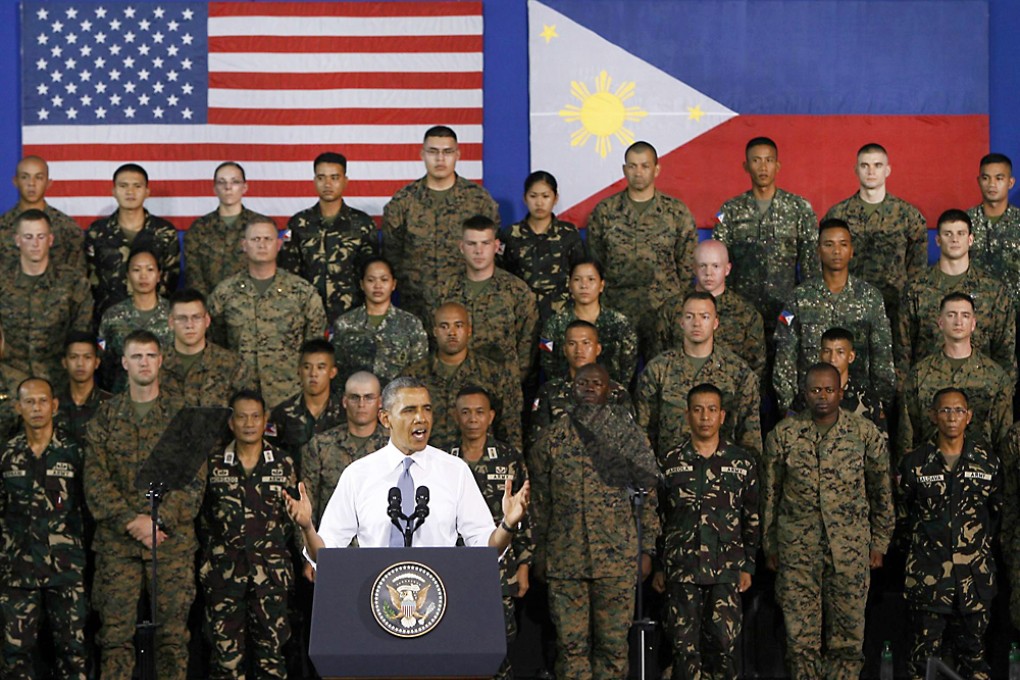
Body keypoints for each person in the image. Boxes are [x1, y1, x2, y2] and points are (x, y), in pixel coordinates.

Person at [284, 376, 529, 557]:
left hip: (438, 600)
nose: (421, 418)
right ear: (385, 418)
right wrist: (307, 528)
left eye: (427, 409)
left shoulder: (455, 471)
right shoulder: (358, 475)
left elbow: (487, 550)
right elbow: (324, 555)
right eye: (410, 410)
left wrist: (507, 524)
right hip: (375, 598)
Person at [763, 363, 894, 680]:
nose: (822, 396)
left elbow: (881, 492)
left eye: (829, 390)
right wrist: (770, 546)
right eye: (815, 390)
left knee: (847, 643)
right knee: (800, 643)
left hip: (849, 554)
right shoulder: (783, 435)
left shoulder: (864, 434)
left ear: (841, 392)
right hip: (797, 553)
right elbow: (770, 494)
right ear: (804, 393)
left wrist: (879, 543)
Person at [84, 330, 203, 680]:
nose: (144, 363)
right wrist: (130, 520)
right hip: (118, 545)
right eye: (137, 356)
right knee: (116, 639)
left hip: (170, 545)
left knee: (172, 639)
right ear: (123, 362)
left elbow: (194, 481)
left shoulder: (181, 415)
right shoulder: (105, 416)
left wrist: (158, 520)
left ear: (161, 360)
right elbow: (94, 480)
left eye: (151, 356)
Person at [530, 363, 660, 680]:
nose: (589, 387)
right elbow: (539, 502)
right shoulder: (551, 438)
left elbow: (648, 498)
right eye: (583, 382)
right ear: (572, 386)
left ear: (609, 390)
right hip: (565, 560)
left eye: (596, 383)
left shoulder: (628, 438)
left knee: (613, 649)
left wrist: (647, 550)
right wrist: (539, 552)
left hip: (616, 561)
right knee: (570, 648)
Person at [650, 383, 759, 680]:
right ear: (687, 415)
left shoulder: (741, 463)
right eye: (698, 410)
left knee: (723, 649)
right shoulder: (669, 462)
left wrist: (748, 564)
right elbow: (657, 517)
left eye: (712, 410)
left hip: (726, 570)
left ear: (722, 415)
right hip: (681, 571)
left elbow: (751, 517)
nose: (705, 417)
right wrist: (659, 565)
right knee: (684, 650)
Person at [898, 387, 1000, 680]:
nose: (951, 417)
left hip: (974, 582)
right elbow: (903, 515)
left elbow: (996, 512)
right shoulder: (915, 463)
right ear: (933, 415)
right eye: (944, 410)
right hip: (929, 582)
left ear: (968, 416)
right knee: (923, 664)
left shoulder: (987, 461)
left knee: (975, 661)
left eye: (958, 411)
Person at [201, 390, 297, 679]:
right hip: (224, 575)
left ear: (265, 420)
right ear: (231, 422)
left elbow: (293, 518)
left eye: (255, 416)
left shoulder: (282, 463)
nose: (248, 423)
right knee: (226, 661)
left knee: (272, 658)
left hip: (270, 577)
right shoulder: (214, 462)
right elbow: (203, 516)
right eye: (241, 416)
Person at [0, 378, 88, 678]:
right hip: (17, 570)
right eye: (29, 401)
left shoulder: (74, 452)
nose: (36, 407)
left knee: (73, 652)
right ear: (18, 407)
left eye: (42, 401)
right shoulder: (6, 453)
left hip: (65, 568)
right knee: (15, 655)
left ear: (54, 405)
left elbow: (86, 507)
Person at [449, 385, 535, 680]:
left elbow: (524, 514)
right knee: (454, 645)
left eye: (479, 412)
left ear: (491, 417)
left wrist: (524, 564)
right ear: (454, 416)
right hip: (453, 568)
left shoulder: (509, 458)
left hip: (500, 570)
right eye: (465, 412)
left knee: (499, 646)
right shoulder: (441, 459)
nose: (473, 419)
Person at [773, 218, 895, 413]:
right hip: (809, 406)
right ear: (818, 250)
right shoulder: (799, 297)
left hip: (859, 406)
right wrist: (789, 408)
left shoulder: (870, 298)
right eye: (829, 245)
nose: (836, 251)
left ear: (851, 250)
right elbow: (785, 359)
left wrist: (878, 405)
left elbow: (882, 356)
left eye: (843, 244)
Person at [587, 141, 697, 354]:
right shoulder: (605, 212)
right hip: (616, 309)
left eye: (645, 166)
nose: (638, 172)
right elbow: (596, 261)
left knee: (662, 377)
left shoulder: (677, 212)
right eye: (632, 166)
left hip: (663, 310)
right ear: (624, 169)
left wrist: (675, 303)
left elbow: (686, 265)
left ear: (657, 169)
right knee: (614, 379)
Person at [382, 126, 501, 322]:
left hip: (469, 311)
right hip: (415, 312)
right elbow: (391, 258)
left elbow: (493, 256)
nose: (440, 159)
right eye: (433, 152)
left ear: (458, 155)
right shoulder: (402, 202)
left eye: (447, 152)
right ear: (422, 154)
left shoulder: (479, 201)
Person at [208, 217, 327, 409]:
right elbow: (215, 343)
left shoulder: (302, 293)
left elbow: (314, 348)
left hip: (289, 397)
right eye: (255, 240)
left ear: (279, 244)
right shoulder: (225, 293)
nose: (262, 245)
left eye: (267, 239)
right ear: (244, 245)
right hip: (239, 396)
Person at [636, 291, 762, 463]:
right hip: (672, 476)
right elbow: (644, 432)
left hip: (723, 478)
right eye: (689, 317)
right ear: (681, 322)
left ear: (715, 322)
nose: (696, 323)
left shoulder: (738, 373)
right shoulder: (658, 370)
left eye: (704, 317)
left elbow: (750, 436)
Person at [713, 136, 818, 334]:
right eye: (756, 160)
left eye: (769, 160)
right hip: (741, 312)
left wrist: (810, 305)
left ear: (777, 166)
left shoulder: (798, 208)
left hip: (786, 309)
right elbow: (717, 260)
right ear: (746, 166)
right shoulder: (731, 210)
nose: (763, 167)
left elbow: (810, 264)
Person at [897, 208, 1015, 382]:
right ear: (937, 240)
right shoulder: (915, 289)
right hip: (928, 390)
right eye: (948, 234)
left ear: (970, 239)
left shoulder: (994, 290)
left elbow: (1005, 350)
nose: (954, 239)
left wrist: (1004, 396)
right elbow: (903, 351)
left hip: (981, 390)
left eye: (960, 233)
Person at [898, 293, 1013, 462]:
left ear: (973, 324)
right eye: (951, 315)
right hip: (929, 473)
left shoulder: (996, 377)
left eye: (965, 316)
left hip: (980, 474)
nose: (958, 322)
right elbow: (907, 436)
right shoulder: (919, 374)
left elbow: (1003, 437)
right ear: (940, 323)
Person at [823, 142, 927, 321]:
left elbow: (917, 269)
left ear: (887, 170)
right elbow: (823, 262)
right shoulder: (838, 214)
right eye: (865, 166)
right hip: (846, 306)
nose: (871, 172)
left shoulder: (908, 215)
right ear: (856, 169)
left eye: (877, 165)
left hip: (894, 310)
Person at [402, 302, 523, 451]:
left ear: (469, 330)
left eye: (458, 326)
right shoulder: (413, 376)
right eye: (444, 326)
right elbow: (401, 426)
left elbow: (510, 427)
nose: (451, 333)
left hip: (479, 465)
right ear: (434, 331)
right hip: (426, 463)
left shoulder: (493, 373)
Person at [280, 152, 378, 322]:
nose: (327, 184)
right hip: (308, 314)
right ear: (314, 181)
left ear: (345, 181)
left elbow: (371, 272)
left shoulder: (362, 224)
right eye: (321, 177)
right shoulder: (298, 223)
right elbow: (288, 274)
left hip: (353, 315)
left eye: (334, 177)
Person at [438, 215, 539, 380]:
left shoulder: (517, 291)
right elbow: (436, 339)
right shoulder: (444, 290)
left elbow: (527, 349)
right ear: (462, 247)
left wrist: (512, 384)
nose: (479, 251)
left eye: (485, 243)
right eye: (472, 244)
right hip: (455, 387)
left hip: (503, 389)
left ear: (496, 246)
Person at [0, 208, 92, 382]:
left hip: (58, 383)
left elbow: (80, 336)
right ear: (17, 240)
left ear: (50, 240)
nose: (35, 244)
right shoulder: (3, 282)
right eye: (28, 237)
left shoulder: (73, 283)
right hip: (8, 383)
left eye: (41, 237)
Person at [301, 371, 390, 547]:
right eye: (355, 397)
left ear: (380, 402)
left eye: (369, 397)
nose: (361, 404)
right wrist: (309, 555)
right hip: (334, 550)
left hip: (384, 551)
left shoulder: (396, 446)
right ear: (344, 401)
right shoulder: (321, 445)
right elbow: (307, 506)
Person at [653, 239, 766, 377]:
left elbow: (756, 367)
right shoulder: (672, 308)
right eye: (702, 266)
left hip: (729, 393)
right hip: (679, 392)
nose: (708, 273)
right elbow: (656, 360)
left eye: (716, 266)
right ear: (694, 268)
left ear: (727, 269)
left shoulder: (746, 313)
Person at [86, 163, 180, 323]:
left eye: (137, 186)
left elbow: (172, 277)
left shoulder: (164, 231)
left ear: (147, 192)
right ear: (114, 191)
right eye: (123, 186)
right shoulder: (98, 232)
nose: (130, 192)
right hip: (109, 321)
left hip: (155, 321)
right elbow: (90, 278)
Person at [497, 171, 586, 326]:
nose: (539, 203)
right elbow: (501, 275)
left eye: (545, 196)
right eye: (533, 196)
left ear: (555, 198)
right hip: (522, 317)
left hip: (562, 317)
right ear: (525, 198)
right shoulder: (510, 234)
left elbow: (580, 272)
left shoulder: (568, 233)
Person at [529, 320, 634, 444]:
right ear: (564, 350)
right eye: (572, 343)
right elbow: (537, 443)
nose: (579, 350)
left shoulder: (617, 393)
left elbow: (631, 443)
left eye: (586, 343)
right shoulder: (549, 391)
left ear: (598, 349)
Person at [330, 256, 428, 387]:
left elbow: (420, 369)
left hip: (398, 400)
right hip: (358, 401)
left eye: (384, 280)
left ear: (393, 284)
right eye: (371, 280)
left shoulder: (411, 324)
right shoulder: (344, 324)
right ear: (362, 285)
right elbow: (337, 372)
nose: (377, 286)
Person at [540, 256, 638, 387]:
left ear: (601, 285)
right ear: (569, 285)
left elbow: (628, 367)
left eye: (591, 279)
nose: (584, 285)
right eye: (577, 279)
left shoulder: (621, 324)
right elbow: (547, 363)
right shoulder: (553, 325)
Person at [160, 289, 256, 408]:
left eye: (196, 317)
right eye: (182, 318)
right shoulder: (154, 364)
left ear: (207, 321)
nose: (189, 325)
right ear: (170, 322)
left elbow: (246, 414)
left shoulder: (233, 365)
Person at [184, 161, 268, 297]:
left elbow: (269, 269)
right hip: (210, 308)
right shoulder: (199, 228)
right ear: (215, 188)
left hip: (252, 307)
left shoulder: (261, 226)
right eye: (221, 182)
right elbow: (194, 277)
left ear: (245, 187)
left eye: (235, 182)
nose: (228, 187)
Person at [97, 246, 173, 393]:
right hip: (122, 397)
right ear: (127, 275)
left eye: (150, 270)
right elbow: (104, 362)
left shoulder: (175, 314)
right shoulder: (112, 316)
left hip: (168, 397)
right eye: (136, 270)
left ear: (159, 276)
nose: (143, 276)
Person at [790, 327, 887, 432]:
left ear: (850, 356)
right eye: (827, 351)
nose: (832, 359)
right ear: (821, 355)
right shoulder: (805, 399)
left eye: (840, 352)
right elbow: (786, 436)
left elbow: (881, 443)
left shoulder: (868, 401)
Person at [0, 155, 85, 274]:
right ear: (15, 181)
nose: (31, 184)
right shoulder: (2, 226)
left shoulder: (68, 229)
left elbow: (77, 279)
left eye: (38, 178)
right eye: (25, 177)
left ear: (48, 183)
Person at [268, 339, 345, 466]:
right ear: (299, 371)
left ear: (332, 372)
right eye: (307, 367)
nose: (313, 374)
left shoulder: (345, 412)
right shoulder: (281, 414)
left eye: (321, 367)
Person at [968, 153, 1020, 310]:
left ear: (1010, 182)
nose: (992, 184)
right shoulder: (964, 222)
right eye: (986, 178)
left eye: (999, 178)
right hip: (976, 312)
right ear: (978, 181)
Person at [54, 331, 112, 446]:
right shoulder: (52, 405)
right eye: (73, 357)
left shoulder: (113, 405)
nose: (80, 363)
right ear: (64, 363)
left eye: (87, 357)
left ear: (96, 363)